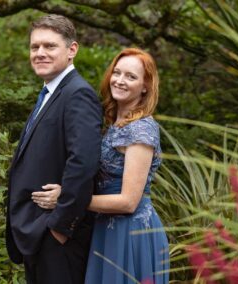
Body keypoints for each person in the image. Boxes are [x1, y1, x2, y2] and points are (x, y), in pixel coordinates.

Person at [32, 48, 169, 283]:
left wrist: (68, 199)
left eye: (131, 76)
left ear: (145, 86)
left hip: (131, 233)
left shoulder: (142, 130)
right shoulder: (114, 122)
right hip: (105, 228)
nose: (120, 80)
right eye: (117, 72)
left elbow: (128, 202)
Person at [6, 14, 102, 284]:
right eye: (35, 47)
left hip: (58, 237)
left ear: (72, 50)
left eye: (49, 46)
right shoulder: (50, 93)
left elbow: (83, 163)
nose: (40, 53)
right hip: (37, 233)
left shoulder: (77, 94)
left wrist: (61, 227)